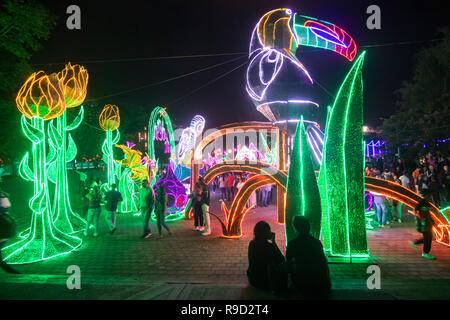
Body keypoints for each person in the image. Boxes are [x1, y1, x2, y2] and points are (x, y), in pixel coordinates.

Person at [286, 216, 331, 297]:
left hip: (302, 280)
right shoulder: (316, 243)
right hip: (317, 281)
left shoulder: (292, 244)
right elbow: (323, 263)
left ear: (296, 228)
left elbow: (288, 262)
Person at [247, 221, 287, 293]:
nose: (270, 232)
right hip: (264, 282)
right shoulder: (269, 246)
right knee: (283, 266)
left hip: (252, 279)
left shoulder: (251, 244)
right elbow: (281, 259)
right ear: (266, 233)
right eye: (269, 230)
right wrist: (273, 242)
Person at [409, 191, 435, 260]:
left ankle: (416, 243)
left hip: (426, 223)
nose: (430, 198)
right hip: (425, 223)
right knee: (428, 238)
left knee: (428, 237)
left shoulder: (424, 202)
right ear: (427, 196)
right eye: (429, 196)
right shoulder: (423, 202)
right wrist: (422, 220)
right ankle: (426, 253)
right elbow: (418, 211)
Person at [0, 189, 20, 273]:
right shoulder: (3, 195)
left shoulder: (2, 196)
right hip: (4, 234)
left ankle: (15, 273)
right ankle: (14, 273)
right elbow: (7, 206)